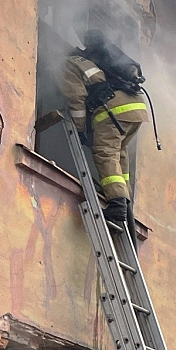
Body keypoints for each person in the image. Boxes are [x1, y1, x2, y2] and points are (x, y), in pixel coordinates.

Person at [61, 29, 148, 227]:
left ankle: (117, 206)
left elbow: (76, 99)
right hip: (137, 109)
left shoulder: (71, 63)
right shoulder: (99, 61)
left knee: (105, 152)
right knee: (119, 153)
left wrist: (81, 129)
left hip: (114, 109)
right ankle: (125, 201)